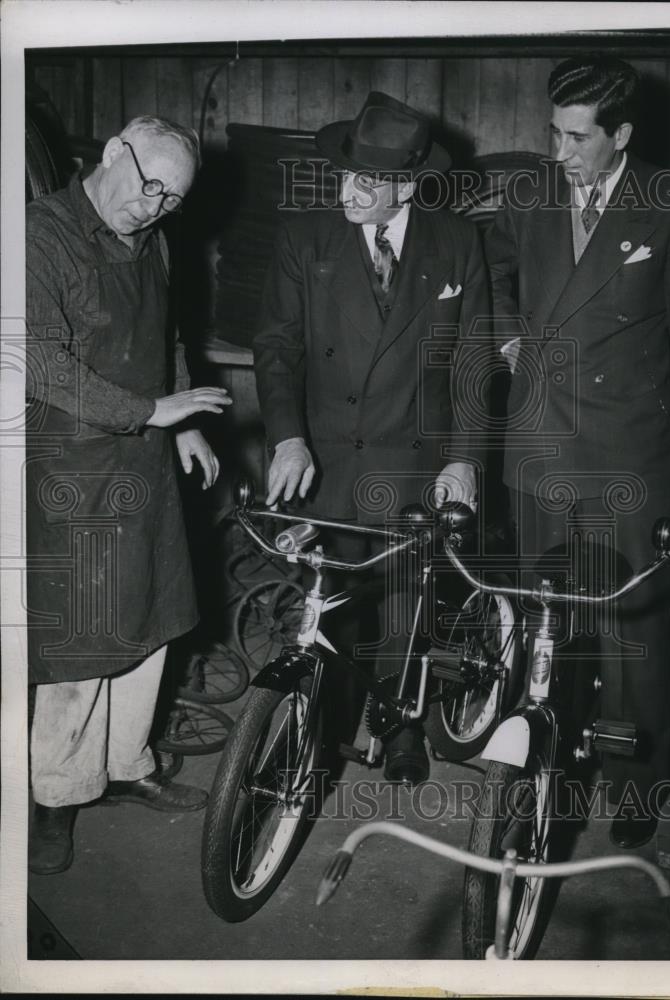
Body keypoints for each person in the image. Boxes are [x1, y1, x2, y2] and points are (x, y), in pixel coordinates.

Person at [486, 57, 670, 848]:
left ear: (620, 134)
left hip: (631, 455)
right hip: (539, 449)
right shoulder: (531, 196)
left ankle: (635, 777)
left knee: (633, 632)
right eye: (553, 132)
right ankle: (541, 767)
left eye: (578, 137)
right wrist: (509, 337)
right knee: (546, 625)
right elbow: (489, 277)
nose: (561, 152)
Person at [253, 91, 490, 783]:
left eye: (369, 180)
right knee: (330, 602)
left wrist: (466, 461)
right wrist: (286, 437)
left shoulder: (455, 242)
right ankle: (314, 734)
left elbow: (474, 358)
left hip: (414, 459)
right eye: (345, 173)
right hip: (327, 456)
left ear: (408, 184)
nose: (348, 190)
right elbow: (276, 345)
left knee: (406, 604)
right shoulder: (306, 237)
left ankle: (402, 720)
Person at [26, 115, 232, 875]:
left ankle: (125, 763)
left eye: (170, 200)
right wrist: (150, 413)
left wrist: (182, 425)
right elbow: (38, 362)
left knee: (151, 620)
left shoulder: (156, 243)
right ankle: (53, 795)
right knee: (81, 646)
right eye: (147, 186)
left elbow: (167, 337)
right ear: (113, 151)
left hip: (145, 462)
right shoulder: (39, 236)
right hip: (72, 470)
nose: (151, 207)